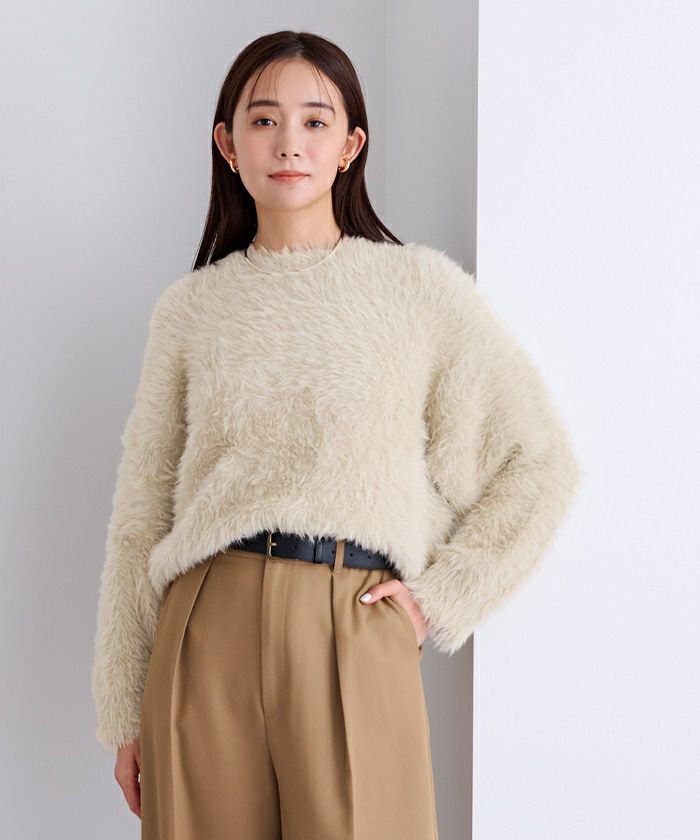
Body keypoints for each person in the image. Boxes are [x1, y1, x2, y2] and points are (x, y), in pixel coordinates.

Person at [90, 30, 582, 840]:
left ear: (351, 145)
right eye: (264, 120)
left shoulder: (416, 289)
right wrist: (122, 709)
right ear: (228, 144)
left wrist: (440, 601)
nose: (289, 142)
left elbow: (538, 461)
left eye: (315, 122)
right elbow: (141, 516)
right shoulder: (191, 310)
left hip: (353, 617)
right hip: (206, 622)